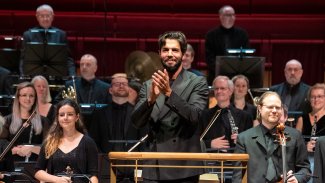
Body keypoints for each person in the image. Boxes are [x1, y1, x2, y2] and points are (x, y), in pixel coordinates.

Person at [131, 31, 209, 182]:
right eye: (166, 50)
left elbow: (194, 116)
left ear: (183, 53)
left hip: (184, 166)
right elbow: (136, 122)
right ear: (159, 53)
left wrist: (168, 92)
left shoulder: (197, 82)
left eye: (175, 50)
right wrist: (151, 100)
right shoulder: (148, 85)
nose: (170, 54)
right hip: (154, 165)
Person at [232, 91, 311, 183]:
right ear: (260, 108)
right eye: (270, 107)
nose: (274, 110)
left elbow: (305, 169)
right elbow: (237, 176)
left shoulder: (295, 136)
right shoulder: (244, 138)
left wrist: (297, 178)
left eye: (278, 107)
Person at [90, 73, 142, 182]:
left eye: (124, 84)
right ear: (110, 90)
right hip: (106, 167)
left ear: (129, 89)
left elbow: (143, 142)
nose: (121, 86)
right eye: (117, 84)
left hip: (134, 166)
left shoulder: (139, 113)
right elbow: (93, 141)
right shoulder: (99, 114)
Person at [34, 99, 98, 183]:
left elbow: (93, 175)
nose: (65, 118)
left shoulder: (88, 142)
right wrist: (57, 180)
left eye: (70, 114)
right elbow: (38, 171)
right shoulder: (49, 141)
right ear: (57, 118)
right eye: (61, 115)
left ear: (77, 117)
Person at [0, 82, 50, 179]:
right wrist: (18, 150)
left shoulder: (44, 121)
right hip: (11, 169)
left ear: (35, 98)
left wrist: (31, 148)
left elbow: (49, 149)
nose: (28, 99)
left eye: (31, 96)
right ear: (18, 97)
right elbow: (1, 148)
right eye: (24, 95)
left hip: (36, 169)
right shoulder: (6, 120)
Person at [20, 4, 75, 76]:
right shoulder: (28, 35)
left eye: (48, 16)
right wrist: (23, 76)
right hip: (35, 77)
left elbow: (68, 58)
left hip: (56, 76)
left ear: (52, 17)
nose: (45, 19)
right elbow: (23, 59)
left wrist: (72, 76)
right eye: (42, 16)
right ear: (37, 17)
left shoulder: (61, 35)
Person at [201, 76, 253, 151]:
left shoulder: (245, 117)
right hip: (211, 160)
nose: (219, 91)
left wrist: (241, 140)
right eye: (216, 89)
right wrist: (210, 143)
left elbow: (252, 143)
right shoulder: (204, 115)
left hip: (236, 161)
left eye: (222, 88)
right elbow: (196, 141)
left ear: (231, 91)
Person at [205, 5, 249, 85]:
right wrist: (220, 71)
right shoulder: (211, 35)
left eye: (233, 15)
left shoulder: (242, 34)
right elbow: (209, 58)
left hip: (237, 76)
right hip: (216, 75)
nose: (232, 17)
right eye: (229, 15)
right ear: (221, 16)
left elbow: (245, 56)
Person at [295, 83, 325, 180]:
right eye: (313, 97)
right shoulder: (302, 119)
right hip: (306, 162)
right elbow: (295, 143)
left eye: (320, 96)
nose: (316, 100)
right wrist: (305, 146)